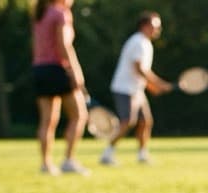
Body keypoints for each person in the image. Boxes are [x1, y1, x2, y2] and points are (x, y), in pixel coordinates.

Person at [101, 11, 173, 166]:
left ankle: (142, 154)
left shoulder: (145, 43)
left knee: (146, 121)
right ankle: (107, 154)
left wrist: (151, 86)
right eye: (155, 26)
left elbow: (140, 72)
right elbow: (139, 68)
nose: (157, 30)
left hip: (136, 89)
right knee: (128, 121)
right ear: (144, 26)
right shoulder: (138, 42)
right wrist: (159, 83)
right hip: (125, 88)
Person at [31, 0, 88, 175]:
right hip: (57, 68)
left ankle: (46, 164)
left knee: (47, 121)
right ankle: (68, 160)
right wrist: (75, 70)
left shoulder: (40, 13)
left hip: (39, 69)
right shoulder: (60, 13)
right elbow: (64, 45)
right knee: (79, 115)